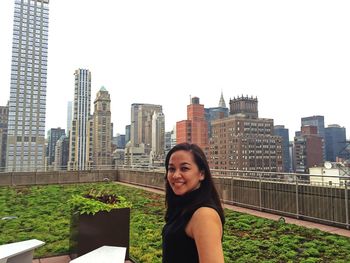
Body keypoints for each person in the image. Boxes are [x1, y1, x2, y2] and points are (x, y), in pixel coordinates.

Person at [162, 143, 225, 263]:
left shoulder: (204, 215)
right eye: (171, 169)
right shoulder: (184, 207)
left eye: (184, 168)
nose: (175, 175)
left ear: (201, 174)